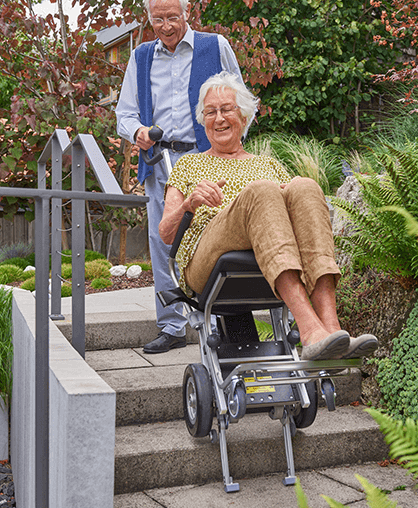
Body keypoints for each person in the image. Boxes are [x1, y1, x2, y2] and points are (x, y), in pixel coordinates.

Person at [159, 72, 379, 361]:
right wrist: (189, 204)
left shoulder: (269, 165)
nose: (219, 118)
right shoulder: (189, 164)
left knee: (305, 186)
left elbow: (297, 213)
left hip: (268, 253)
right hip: (207, 256)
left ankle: (331, 329)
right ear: (203, 120)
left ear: (244, 116)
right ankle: (309, 329)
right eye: (210, 112)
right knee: (262, 190)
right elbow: (166, 233)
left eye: (226, 109)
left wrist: (292, 191)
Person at [116, 0, 244, 354]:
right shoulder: (141, 57)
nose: (166, 26)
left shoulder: (215, 46)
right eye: (158, 19)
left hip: (210, 158)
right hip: (160, 161)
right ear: (149, 18)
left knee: (216, 236)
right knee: (163, 241)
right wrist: (138, 131)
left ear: (187, 13)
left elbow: (241, 102)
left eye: (173, 16)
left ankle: (221, 323)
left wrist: (232, 149)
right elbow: (124, 114)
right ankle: (172, 326)